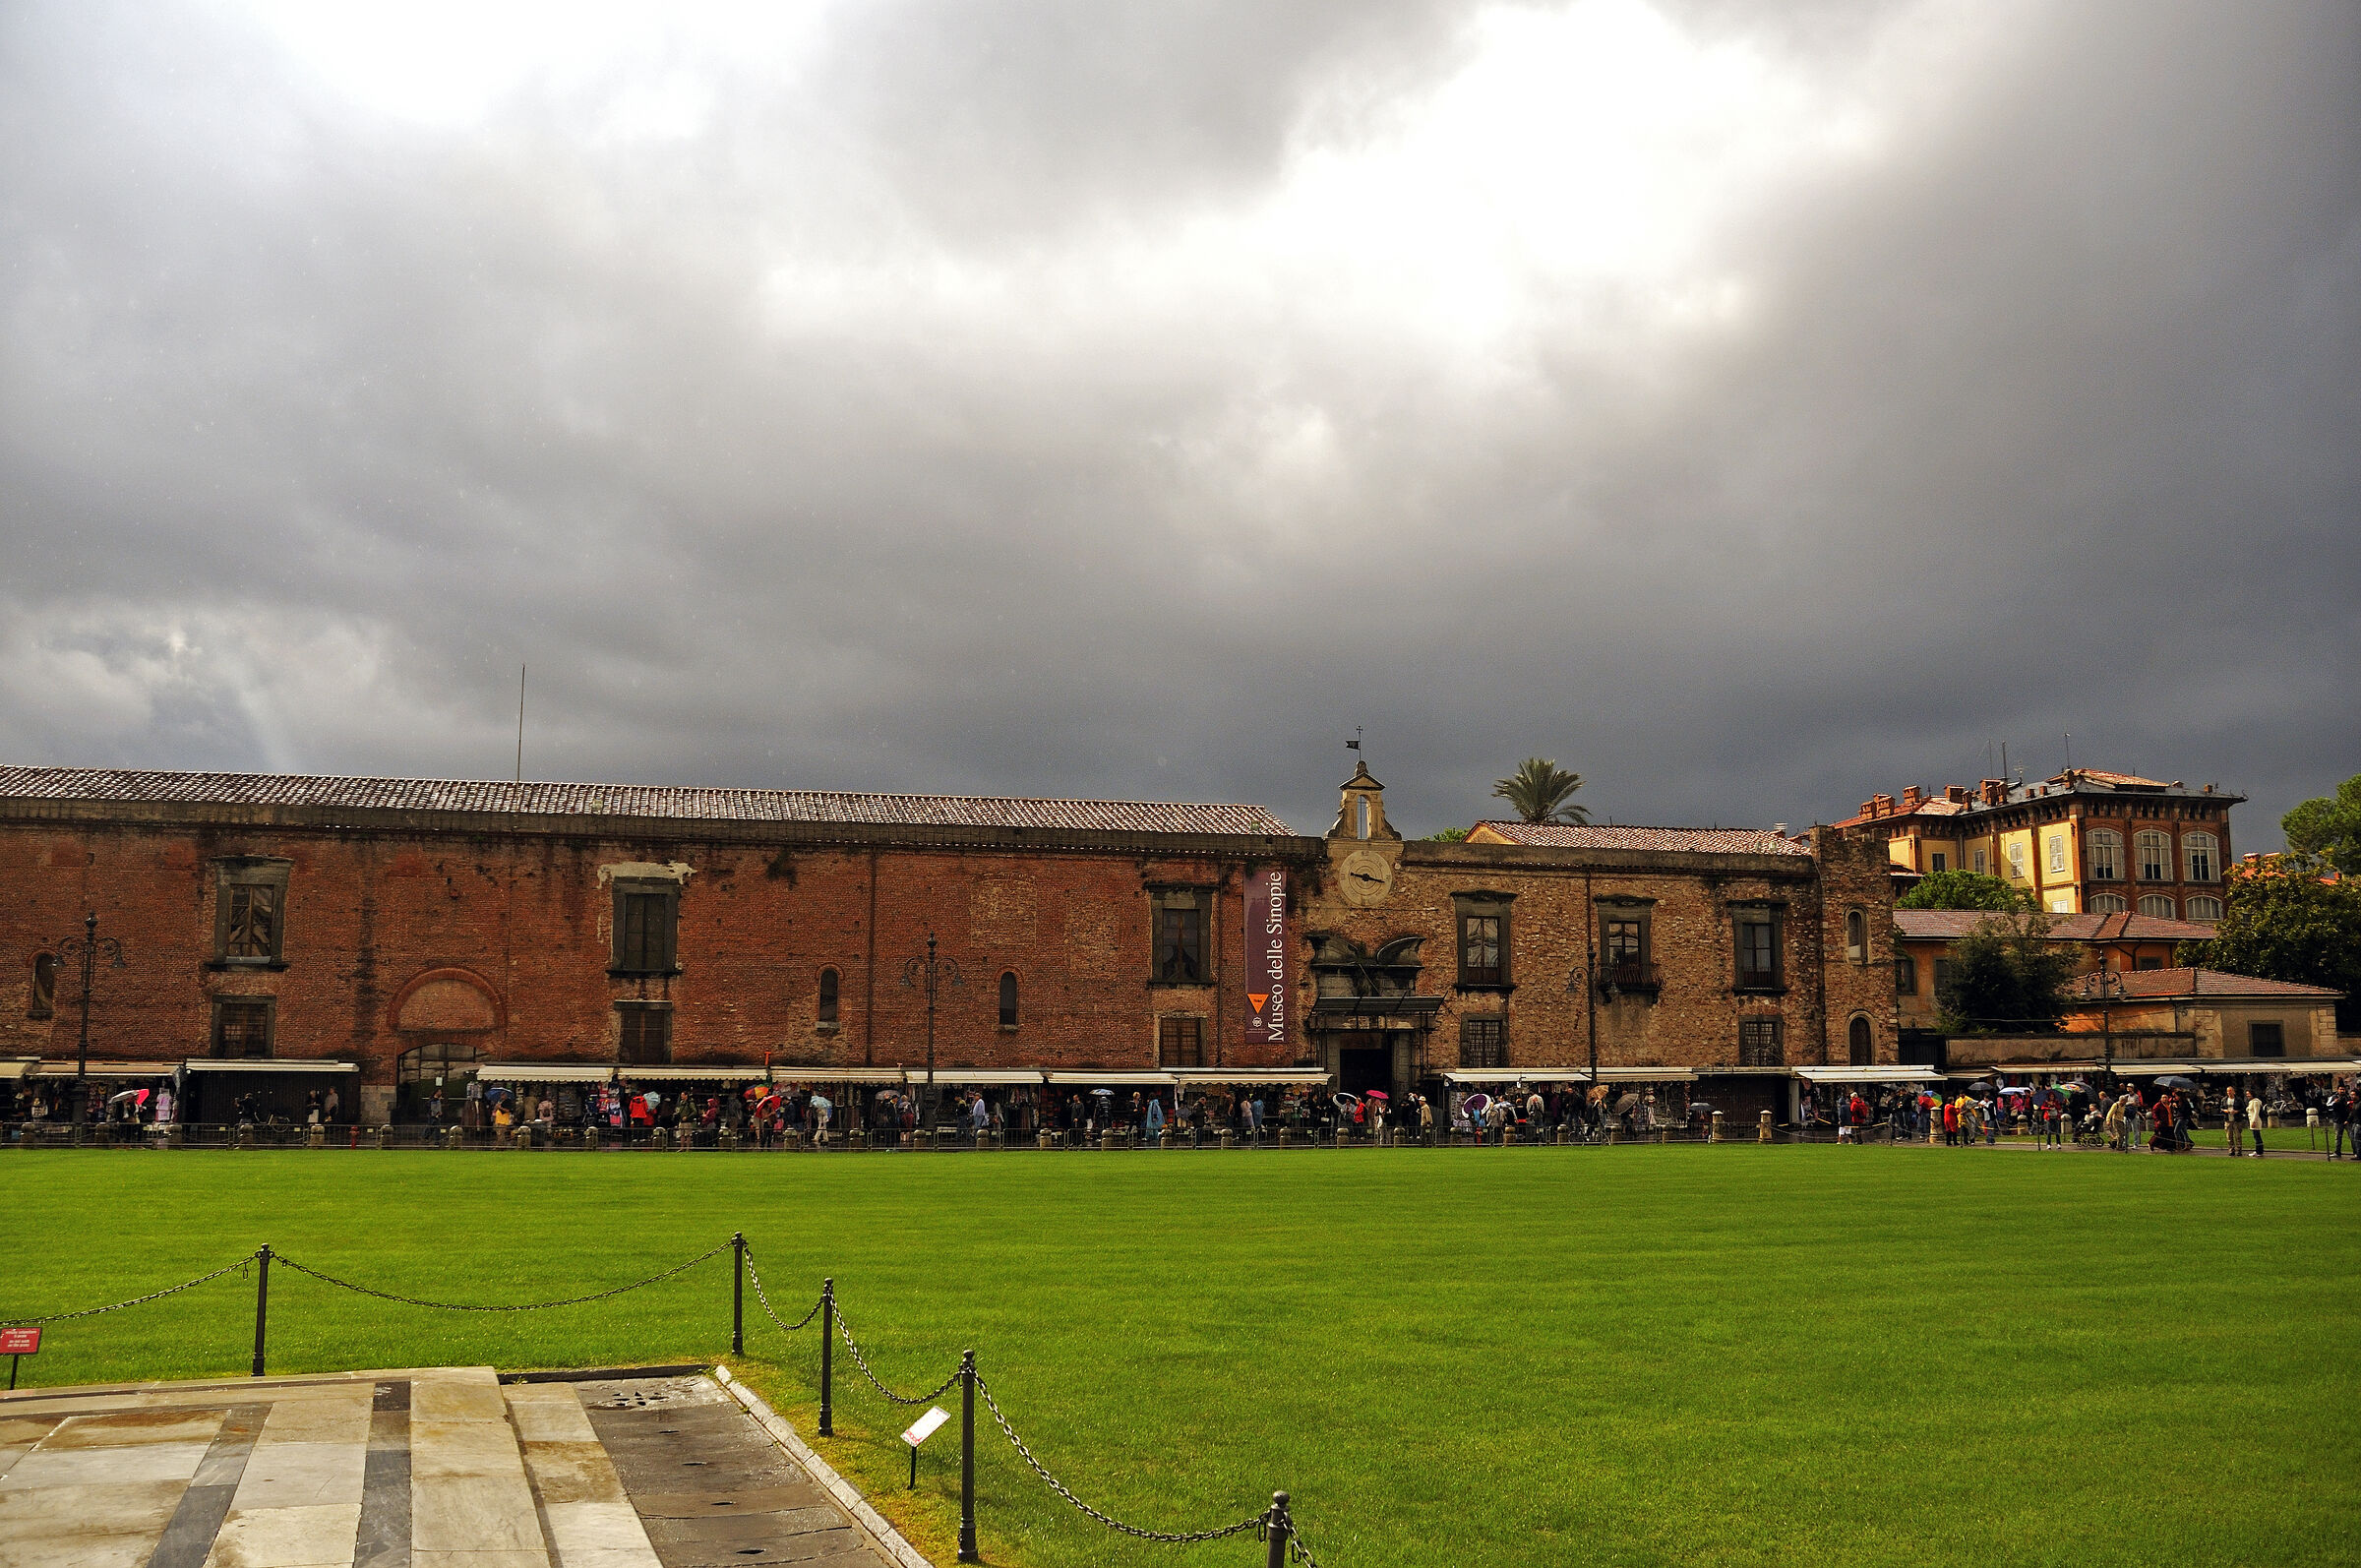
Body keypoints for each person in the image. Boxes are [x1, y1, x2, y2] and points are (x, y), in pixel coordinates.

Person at [2246, 1086, 2267, 1158]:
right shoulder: (2251, 1102)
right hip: (2252, 1120)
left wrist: (2254, 1121)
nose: (2247, 1095)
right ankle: (2258, 1150)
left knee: (2257, 1136)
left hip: (2255, 1121)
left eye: (2248, 1094)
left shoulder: (2255, 1102)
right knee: (2256, 1136)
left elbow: (2256, 1112)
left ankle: (2259, 1151)